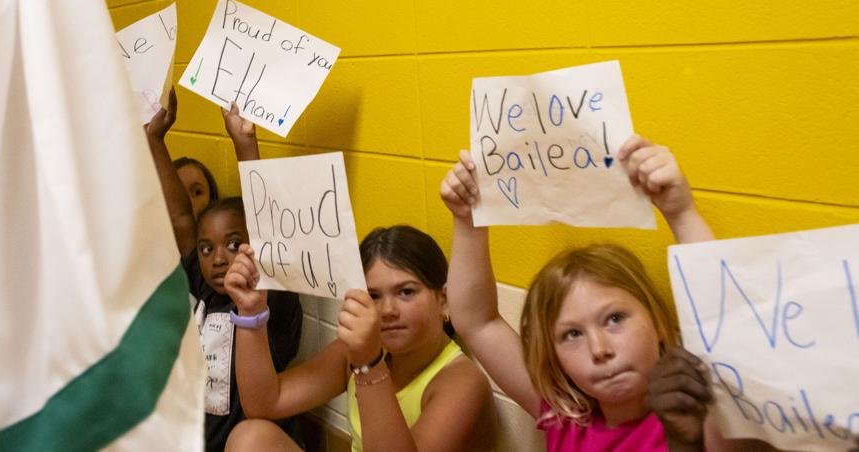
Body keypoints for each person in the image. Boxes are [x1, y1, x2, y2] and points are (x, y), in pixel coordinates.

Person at [440, 135, 718, 451]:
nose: (599, 349)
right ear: (554, 356)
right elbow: (477, 322)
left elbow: (726, 330)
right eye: (572, 334)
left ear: (658, 322)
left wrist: (681, 214)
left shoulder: (699, 421)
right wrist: (468, 220)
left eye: (615, 319)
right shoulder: (566, 416)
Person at [222, 225, 497, 452]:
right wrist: (251, 313)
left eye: (407, 292)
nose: (388, 311)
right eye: (373, 296)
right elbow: (266, 402)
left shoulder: (462, 382)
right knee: (251, 439)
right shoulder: (354, 353)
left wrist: (368, 364)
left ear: (444, 301)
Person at [145, 93, 303, 451]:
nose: (218, 258)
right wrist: (154, 140)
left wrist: (245, 144)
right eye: (206, 248)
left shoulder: (266, 294)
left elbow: (266, 228)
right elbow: (181, 219)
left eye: (233, 244)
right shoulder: (199, 284)